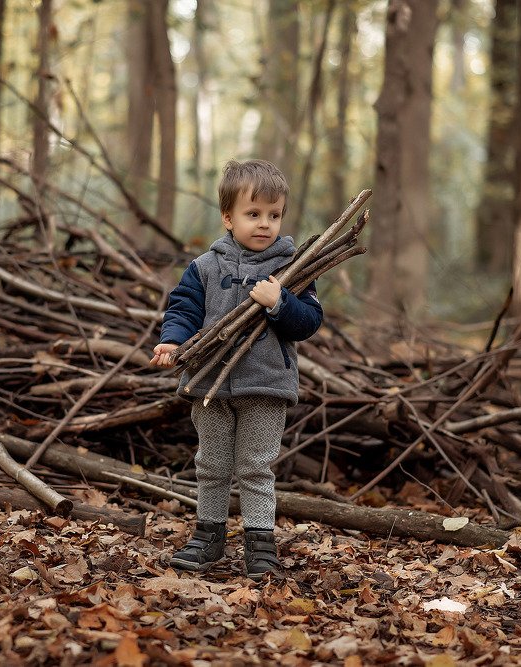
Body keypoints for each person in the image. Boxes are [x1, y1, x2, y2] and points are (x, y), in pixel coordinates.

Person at [150, 159, 323, 581]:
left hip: (265, 384)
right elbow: (184, 308)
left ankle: (260, 542)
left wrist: (280, 302)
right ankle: (208, 535)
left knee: (255, 466)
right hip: (210, 380)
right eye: (253, 214)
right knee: (211, 462)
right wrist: (173, 341)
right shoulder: (205, 267)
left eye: (274, 214)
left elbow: (309, 322)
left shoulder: (292, 268)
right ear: (228, 218)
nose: (265, 224)